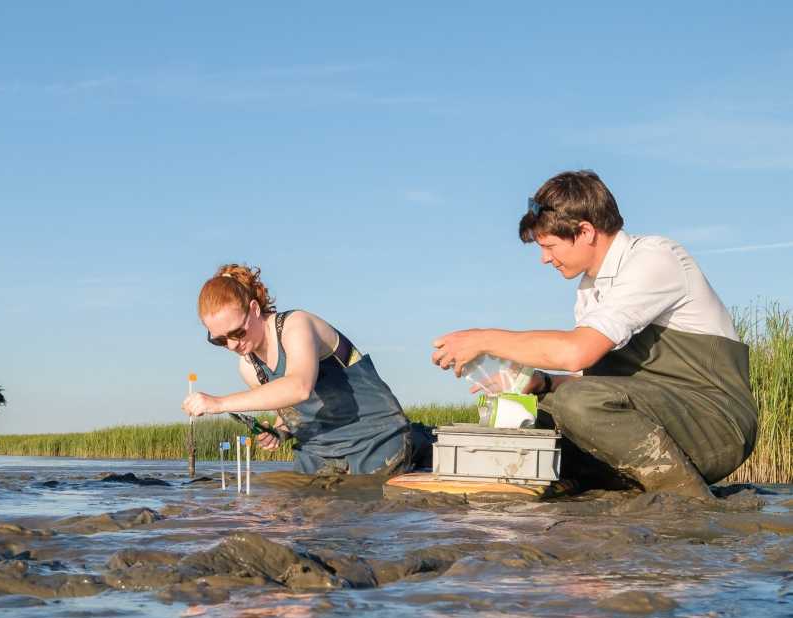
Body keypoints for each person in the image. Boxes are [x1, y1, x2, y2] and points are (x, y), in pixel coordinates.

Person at [431, 170, 757, 499]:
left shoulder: (654, 259)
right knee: (537, 411)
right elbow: (586, 379)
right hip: (654, 415)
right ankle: (590, 485)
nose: (545, 259)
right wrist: (541, 383)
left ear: (585, 231)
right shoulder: (590, 290)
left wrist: (482, 339)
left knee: (576, 402)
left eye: (549, 246)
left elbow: (577, 353)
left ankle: (684, 498)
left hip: (715, 423)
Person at [182, 264, 431, 476]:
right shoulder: (249, 367)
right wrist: (279, 431)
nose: (233, 345)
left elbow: (299, 387)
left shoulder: (296, 325)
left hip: (376, 442)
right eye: (220, 340)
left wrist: (220, 403)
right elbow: (290, 410)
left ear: (255, 309)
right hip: (318, 454)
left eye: (237, 332)